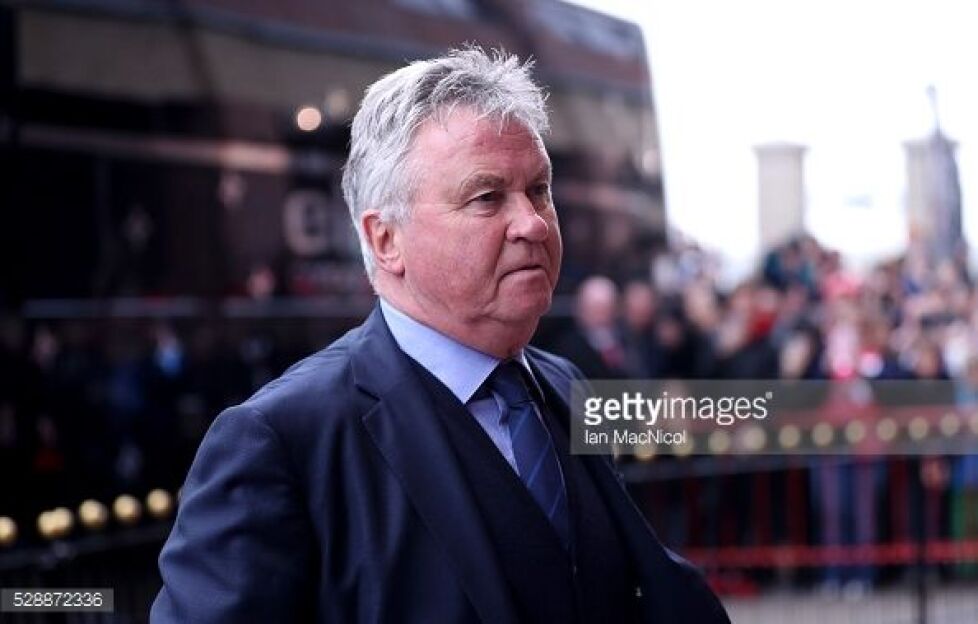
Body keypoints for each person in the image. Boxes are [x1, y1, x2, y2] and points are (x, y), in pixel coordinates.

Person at [150, 47, 729, 623]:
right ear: (385, 240)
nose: (532, 223)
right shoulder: (281, 440)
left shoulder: (562, 384)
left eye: (539, 190)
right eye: (487, 198)